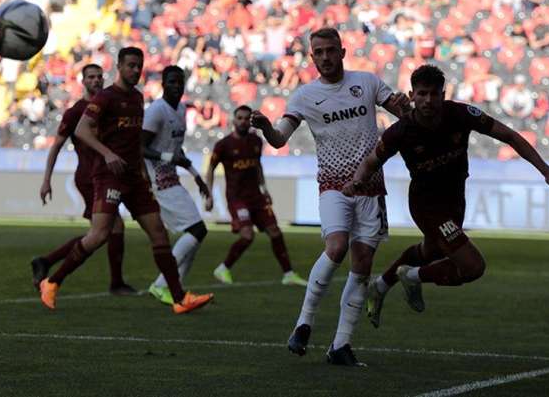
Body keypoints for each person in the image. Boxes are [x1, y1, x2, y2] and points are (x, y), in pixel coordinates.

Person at [343, 64, 549, 328]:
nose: (428, 100)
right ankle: (411, 276)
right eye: (422, 94)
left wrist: (547, 171)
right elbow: (371, 161)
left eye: (434, 94)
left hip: (455, 201)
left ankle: (380, 286)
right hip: (426, 204)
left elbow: (509, 135)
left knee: (429, 251)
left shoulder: (460, 114)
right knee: (473, 267)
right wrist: (357, 183)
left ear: (443, 94)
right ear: (412, 95)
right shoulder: (401, 132)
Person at [251, 27, 409, 366]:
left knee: (362, 265)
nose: (325, 57)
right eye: (318, 52)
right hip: (333, 185)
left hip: (371, 188)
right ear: (312, 57)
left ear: (342, 51)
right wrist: (265, 127)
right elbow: (280, 139)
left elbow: (403, 115)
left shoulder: (367, 82)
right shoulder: (305, 96)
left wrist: (407, 106)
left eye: (330, 50)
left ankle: (340, 345)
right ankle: (304, 322)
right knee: (336, 247)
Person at [37, 47, 213, 314]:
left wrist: (142, 172)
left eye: (138, 66)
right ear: (119, 66)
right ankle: (52, 281)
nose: (135, 70)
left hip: (135, 178)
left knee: (159, 234)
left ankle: (179, 298)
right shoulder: (106, 98)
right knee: (98, 235)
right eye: (130, 65)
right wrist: (107, 154)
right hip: (109, 177)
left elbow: (134, 143)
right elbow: (83, 130)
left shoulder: (137, 98)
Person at [33, 64, 135, 296]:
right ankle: (115, 283)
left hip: (107, 176)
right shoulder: (74, 112)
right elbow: (55, 147)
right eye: (91, 77)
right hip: (89, 178)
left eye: (99, 77)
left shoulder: (109, 106)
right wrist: (46, 180)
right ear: (83, 81)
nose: (96, 80)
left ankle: (46, 261)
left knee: (104, 231)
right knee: (107, 229)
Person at [205, 105, 307, 287]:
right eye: (240, 118)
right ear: (234, 120)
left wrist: (264, 188)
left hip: (257, 197)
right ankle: (223, 268)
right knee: (247, 235)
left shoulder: (256, 141)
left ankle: (289, 274)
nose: (243, 121)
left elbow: (257, 166)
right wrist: (209, 194)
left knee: (275, 232)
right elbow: (211, 168)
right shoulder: (223, 145)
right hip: (237, 199)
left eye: (246, 118)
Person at [142, 66, 212, 305]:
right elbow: (142, 148)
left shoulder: (181, 109)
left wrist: (196, 175)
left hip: (172, 177)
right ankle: (163, 285)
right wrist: (171, 160)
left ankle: (175, 289)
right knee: (197, 230)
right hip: (158, 181)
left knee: (196, 234)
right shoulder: (156, 111)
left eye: (179, 82)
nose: (176, 86)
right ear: (163, 83)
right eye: (171, 82)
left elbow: (176, 149)